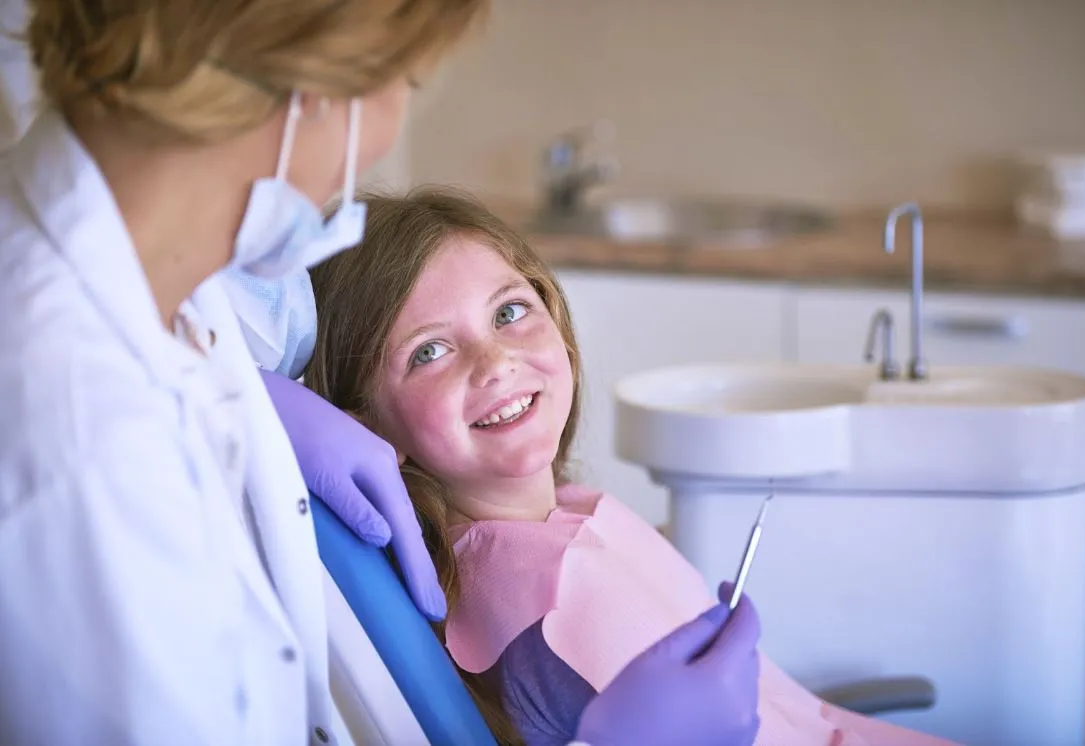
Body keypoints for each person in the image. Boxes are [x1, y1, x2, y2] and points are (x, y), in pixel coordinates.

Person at [0, 1, 763, 744]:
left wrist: (265, 397)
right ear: (311, 85)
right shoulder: (82, 444)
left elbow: (241, 328)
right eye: (405, 78)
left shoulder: (149, 274)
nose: (387, 124)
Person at [301, 188, 959, 746]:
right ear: (367, 427)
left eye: (509, 312)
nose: (495, 360)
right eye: (430, 351)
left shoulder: (559, 512)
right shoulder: (543, 611)